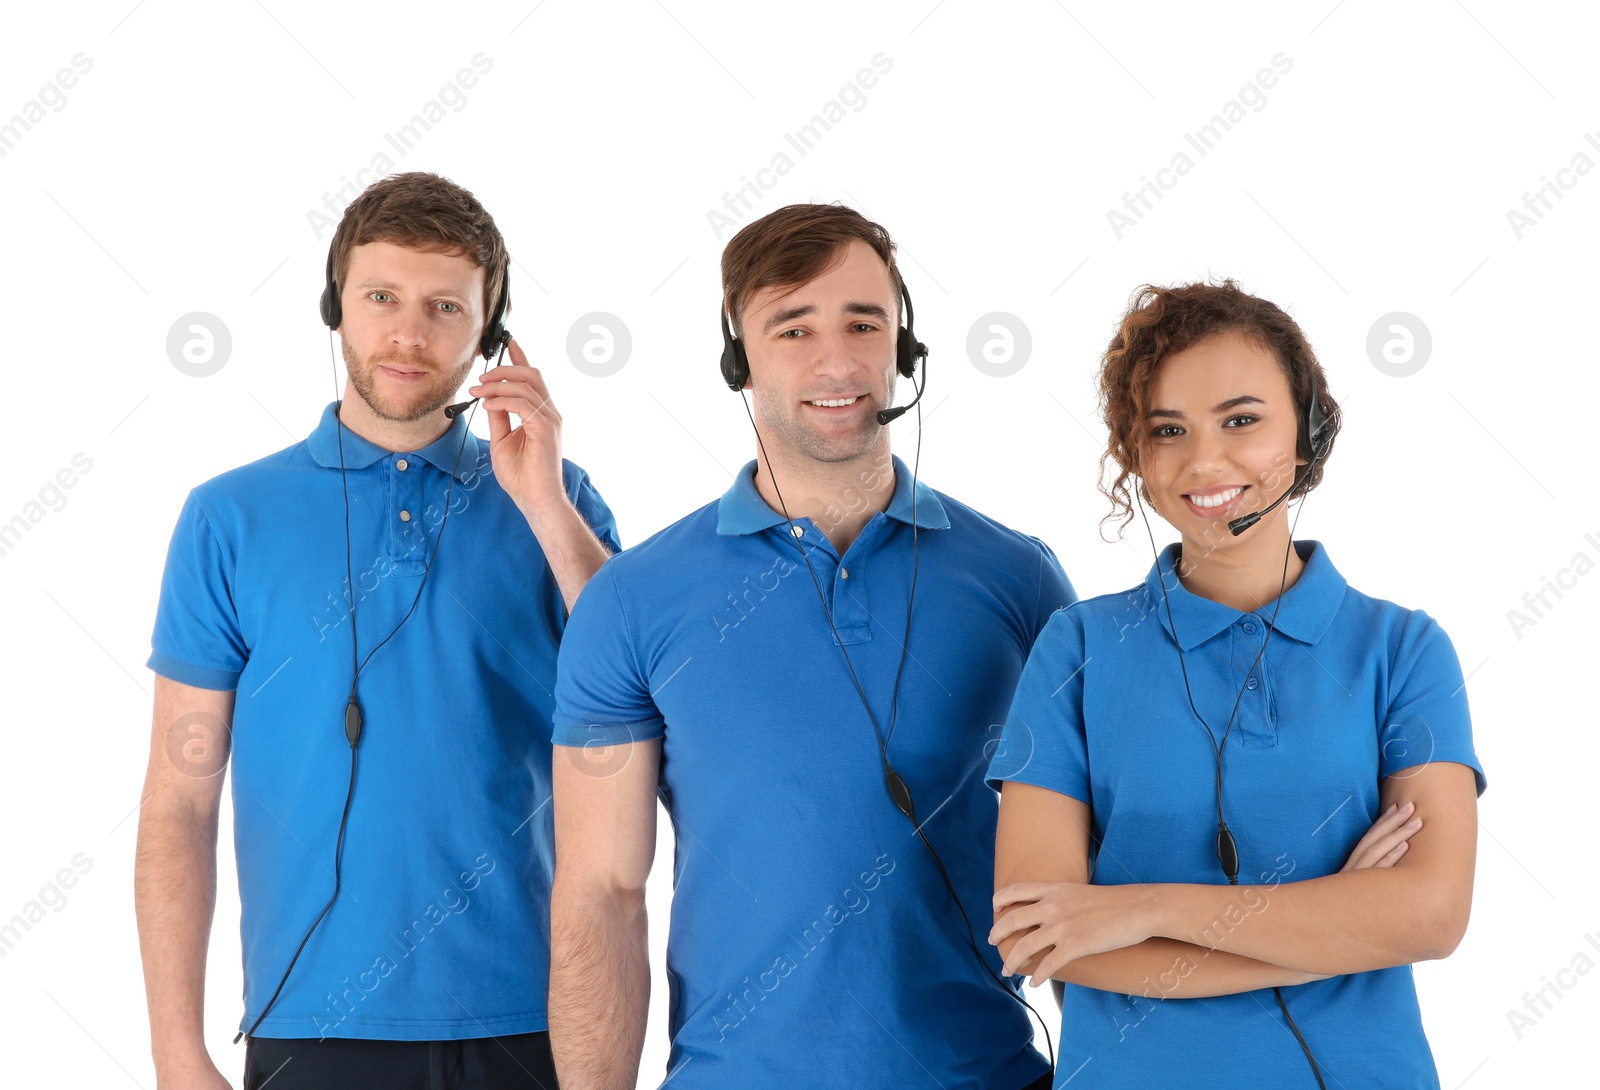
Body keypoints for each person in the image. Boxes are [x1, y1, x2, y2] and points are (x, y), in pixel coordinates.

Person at [548, 203, 1074, 1089]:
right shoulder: (631, 601)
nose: (837, 362)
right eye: (793, 328)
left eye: (864, 324)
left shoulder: (1020, 580)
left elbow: (1091, 865)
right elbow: (602, 895)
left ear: (904, 345)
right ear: (737, 358)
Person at [135, 172, 618, 1090]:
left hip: (531, 1014)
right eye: (382, 298)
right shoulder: (228, 517)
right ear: (336, 307)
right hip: (310, 1021)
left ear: (490, 333)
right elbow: (178, 802)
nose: (409, 334)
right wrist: (174, 1049)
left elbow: (635, 693)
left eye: (445, 307)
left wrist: (546, 504)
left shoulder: (561, 500)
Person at [986, 280, 1485, 1089]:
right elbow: (1038, 937)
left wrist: (1142, 909)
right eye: (1168, 430)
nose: (1205, 461)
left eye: (1241, 420)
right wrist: (1331, 925)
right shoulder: (1076, 647)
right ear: (1136, 456)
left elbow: (1430, 916)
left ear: (1308, 432)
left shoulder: (1404, 650)